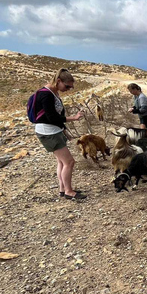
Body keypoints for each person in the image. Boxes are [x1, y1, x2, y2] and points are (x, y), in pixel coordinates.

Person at [34, 68, 86, 200]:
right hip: (49, 132)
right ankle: (69, 191)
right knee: (69, 162)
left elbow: (55, 116)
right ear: (58, 81)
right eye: (67, 86)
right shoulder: (46, 94)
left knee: (62, 162)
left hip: (54, 130)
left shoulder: (53, 92)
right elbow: (52, 117)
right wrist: (73, 118)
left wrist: (63, 130)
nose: (68, 89)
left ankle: (63, 189)